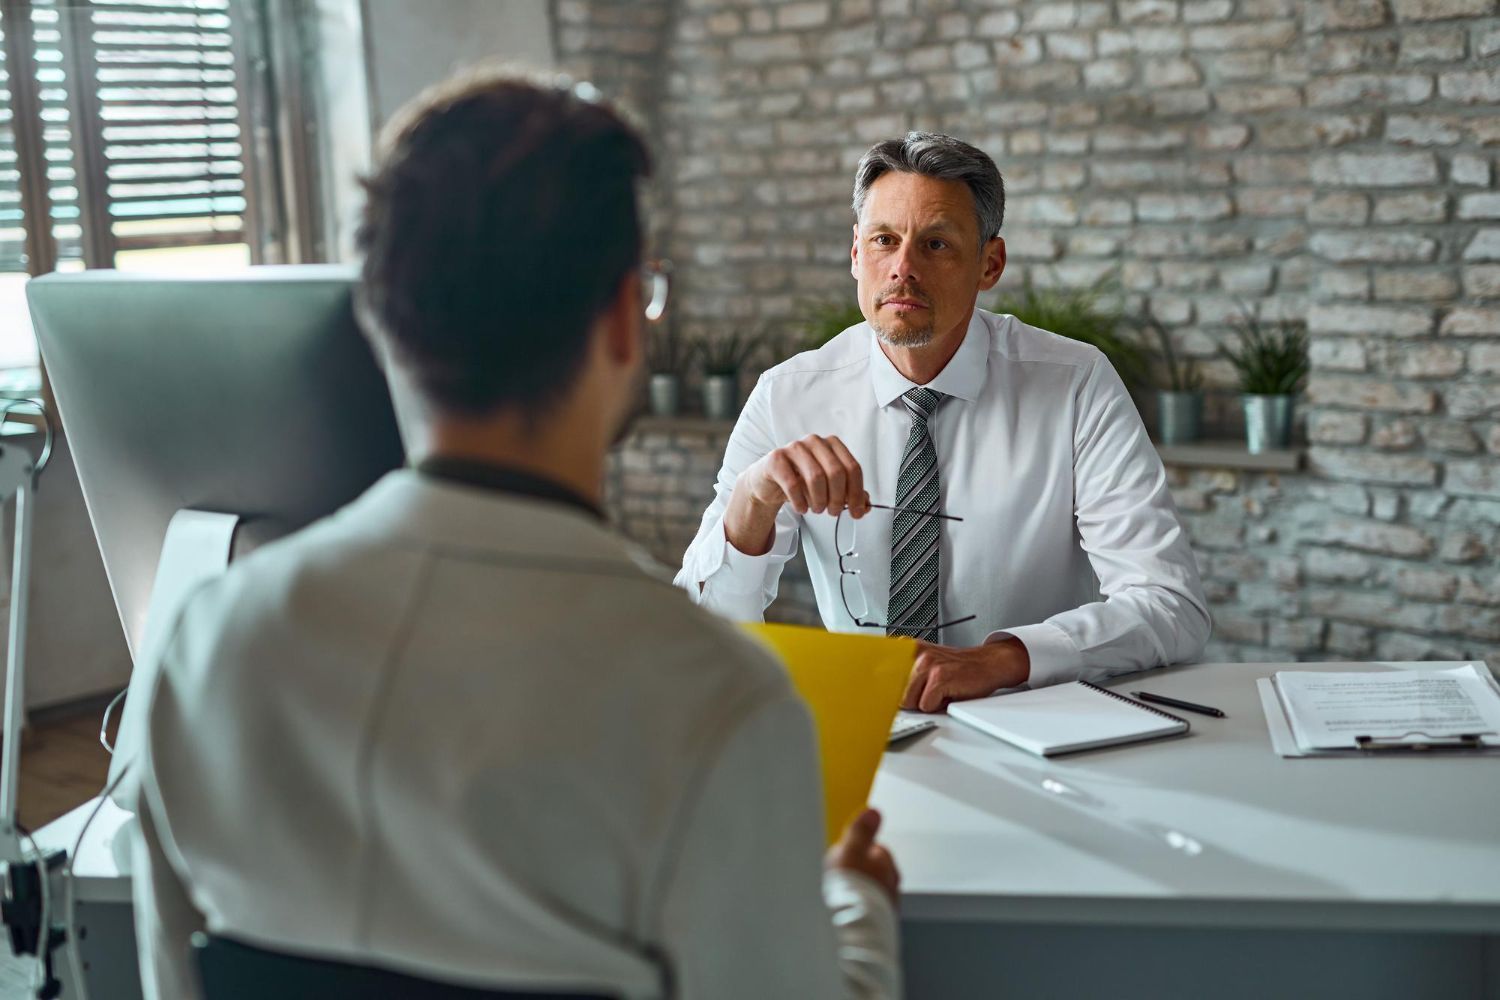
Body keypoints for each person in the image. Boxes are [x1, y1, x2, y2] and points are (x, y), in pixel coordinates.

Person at [129, 71, 901, 1000]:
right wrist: (853, 909)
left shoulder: (205, 643)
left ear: (379, 317)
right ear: (623, 320)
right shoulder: (717, 702)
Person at [676, 131, 1210, 713]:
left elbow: (1170, 603)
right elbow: (704, 633)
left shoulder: (1075, 383)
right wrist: (751, 503)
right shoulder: (787, 397)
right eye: (884, 240)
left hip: (1039, 723)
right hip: (870, 733)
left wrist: (1000, 661)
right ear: (856, 253)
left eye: (936, 244)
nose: (902, 268)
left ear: (990, 264)